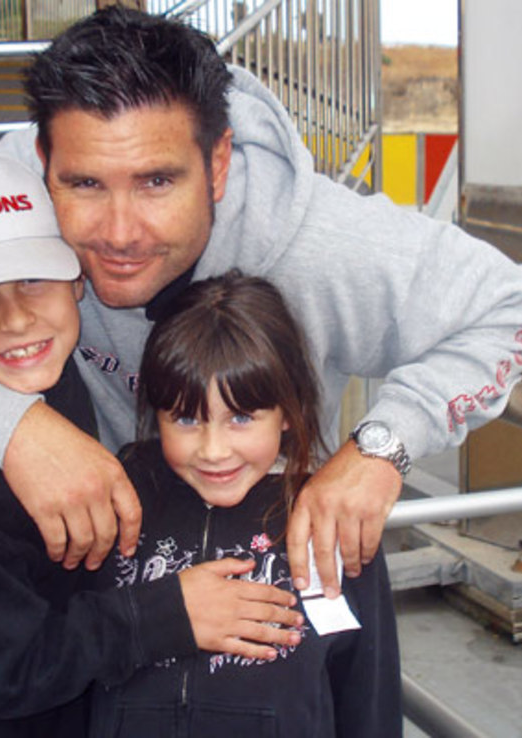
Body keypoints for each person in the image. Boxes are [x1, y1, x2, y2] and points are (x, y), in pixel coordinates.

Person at [0, 7, 522, 600]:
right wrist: (11, 428)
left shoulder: (322, 240)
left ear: (216, 164)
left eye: (156, 182)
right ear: (44, 159)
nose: (117, 233)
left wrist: (381, 449)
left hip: (239, 584)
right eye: (82, 184)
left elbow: (512, 311)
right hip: (57, 597)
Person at [0, 153, 303, 736]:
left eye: (32, 279)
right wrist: (167, 614)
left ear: (77, 280)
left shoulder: (41, 374)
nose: (17, 318)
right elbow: (11, 671)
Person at [92, 271, 400, 737]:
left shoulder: (331, 519)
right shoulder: (118, 497)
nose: (214, 450)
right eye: (186, 418)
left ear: (287, 411)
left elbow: (368, 693)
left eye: (240, 417)